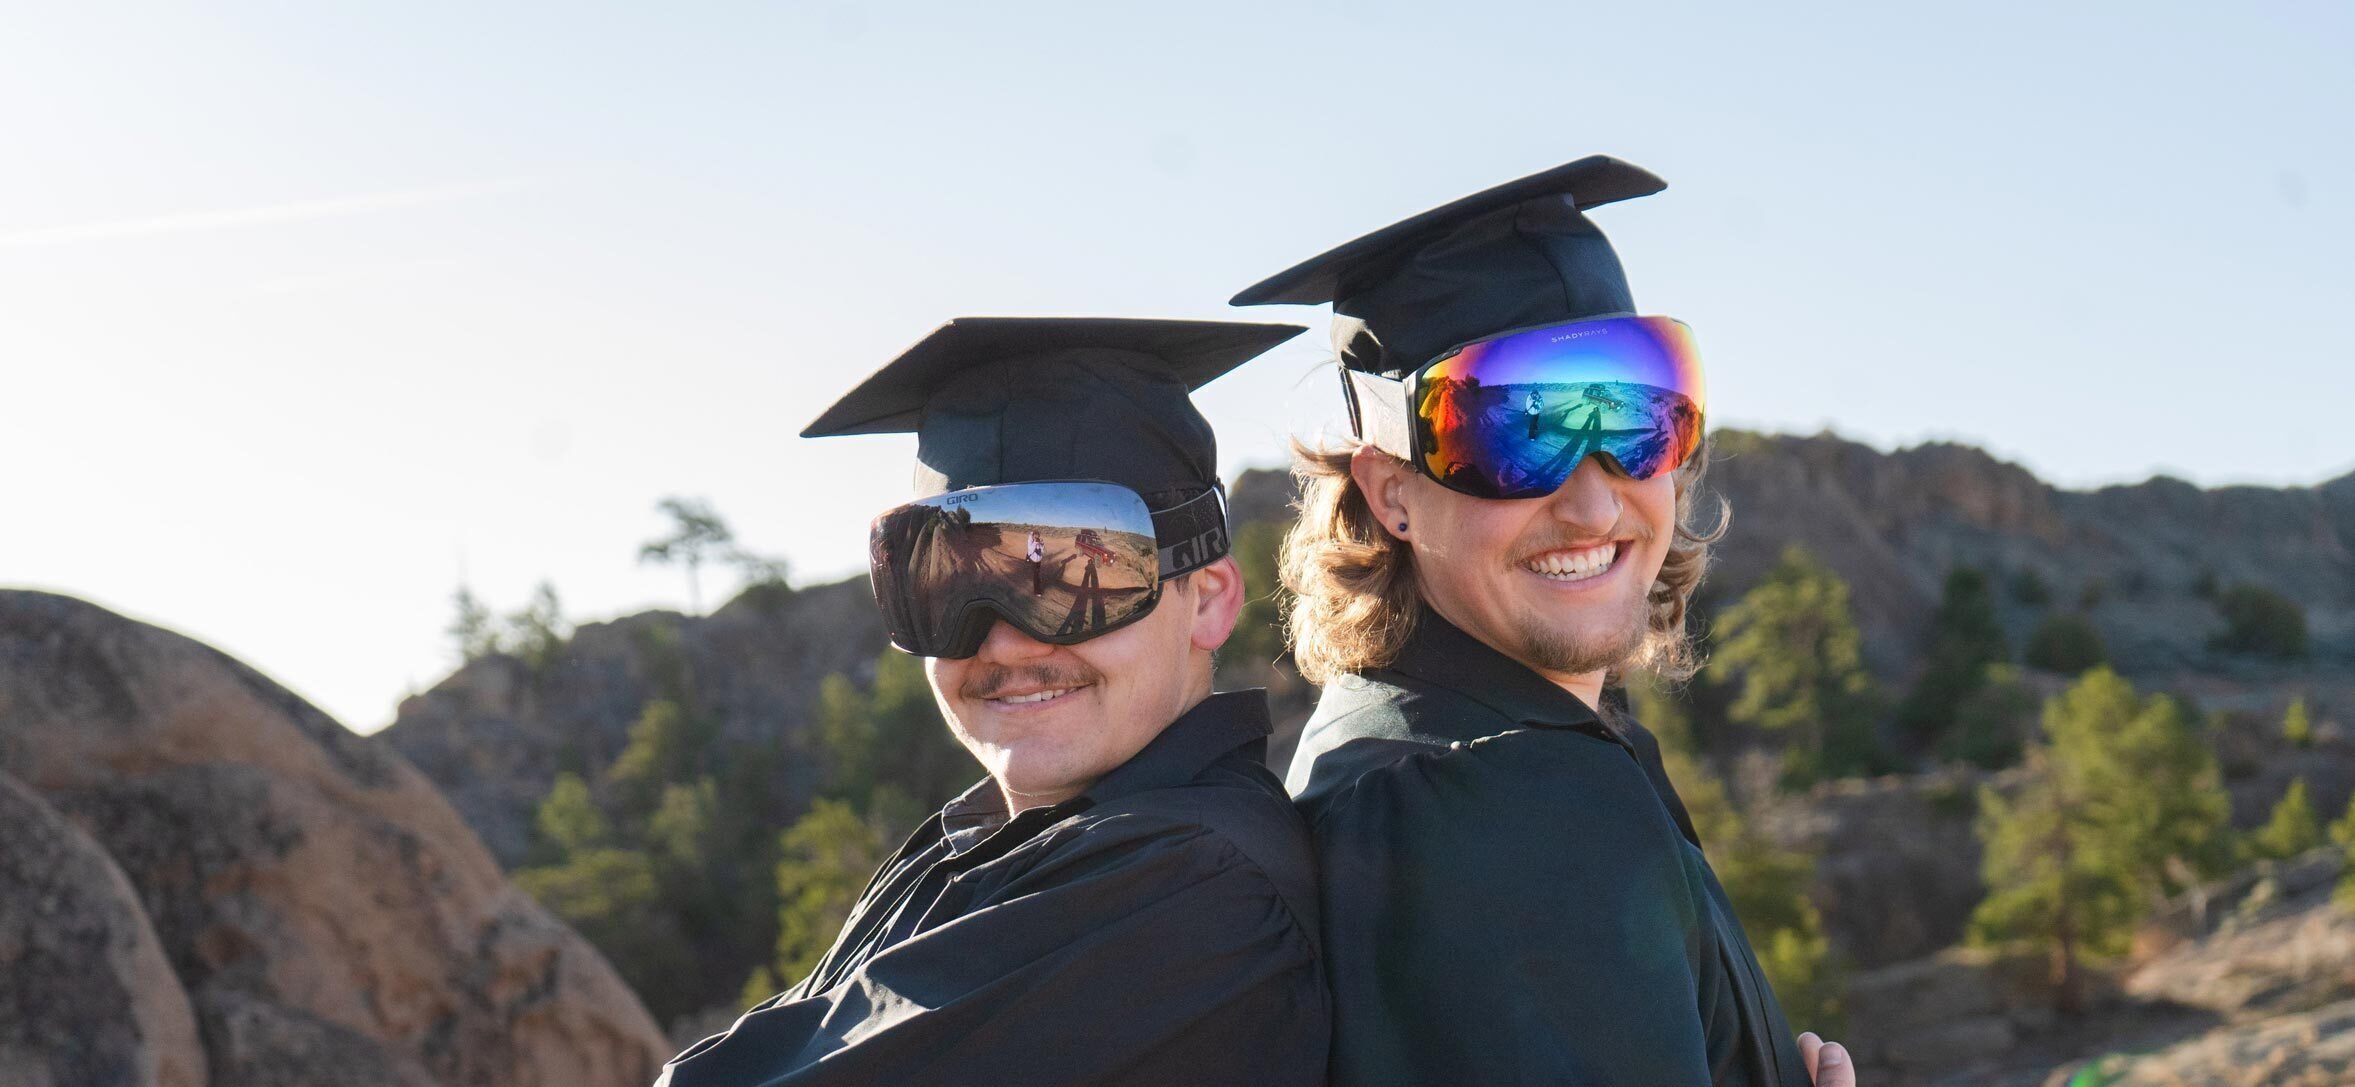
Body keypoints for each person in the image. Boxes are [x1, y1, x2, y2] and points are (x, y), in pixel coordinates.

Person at [1233, 156, 1852, 1085]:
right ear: (1390, 490)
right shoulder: (1503, 794)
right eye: (1517, 435)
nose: (1596, 509)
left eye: (1636, 416)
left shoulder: (1395, 745)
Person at [653, 316, 1327, 1087]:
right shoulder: (973, 842)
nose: (1005, 644)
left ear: (1208, 600)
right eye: (946, 590)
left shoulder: (1192, 890)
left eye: (1072, 581)